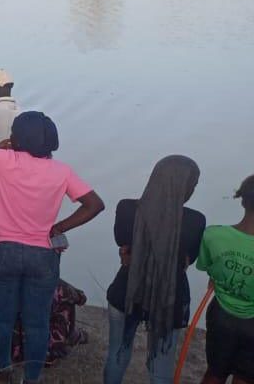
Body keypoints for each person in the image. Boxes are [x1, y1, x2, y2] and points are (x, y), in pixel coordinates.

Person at [0, 111, 105, 384]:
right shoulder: (62, 171)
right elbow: (94, 204)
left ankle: (4, 370)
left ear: (18, 138)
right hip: (42, 255)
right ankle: (32, 377)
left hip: (4, 250)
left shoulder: (5, 161)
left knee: (2, 318)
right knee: (37, 322)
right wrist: (60, 227)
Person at [103, 155, 205, 384]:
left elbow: (122, 243)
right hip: (171, 299)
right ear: (184, 186)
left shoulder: (127, 208)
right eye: (194, 184)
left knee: (117, 354)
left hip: (126, 292)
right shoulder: (196, 220)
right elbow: (188, 261)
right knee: (162, 367)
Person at [197, 174, 254, 384]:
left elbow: (208, 268)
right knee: (246, 378)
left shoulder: (213, 235)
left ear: (242, 200)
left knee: (215, 373)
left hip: (221, 316)